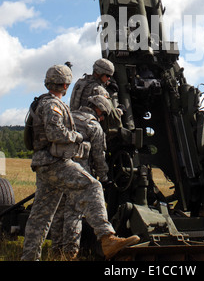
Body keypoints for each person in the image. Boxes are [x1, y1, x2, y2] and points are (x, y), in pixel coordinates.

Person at [21, 64, 140, 261]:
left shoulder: (42, 102)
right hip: (55, 163)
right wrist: (76, 137)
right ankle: (107, 237)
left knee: (41, 217)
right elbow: (55, 133)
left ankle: (29, 257)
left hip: (43, 165)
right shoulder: (53, 105)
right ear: (66, 85)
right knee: (92, 186)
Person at [50, 94, 112, 259]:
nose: (103, 117)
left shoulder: (68, 116)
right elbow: (99, 156)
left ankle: (55, 251)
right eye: (103, 114)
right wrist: (104, 177)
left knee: (58, 211)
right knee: (74, 211)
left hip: (57, 169)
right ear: (98, 109)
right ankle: (70, 253)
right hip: (78, 174)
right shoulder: (93, 126)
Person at [69, 58, 123, 141]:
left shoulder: (80, 83)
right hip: (90, 130)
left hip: (73, 126)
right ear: (99, 73)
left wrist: (107, 84)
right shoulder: (99, 90)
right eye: (107, 76)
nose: (109, 78)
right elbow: (111, 116)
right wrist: (120, 110)